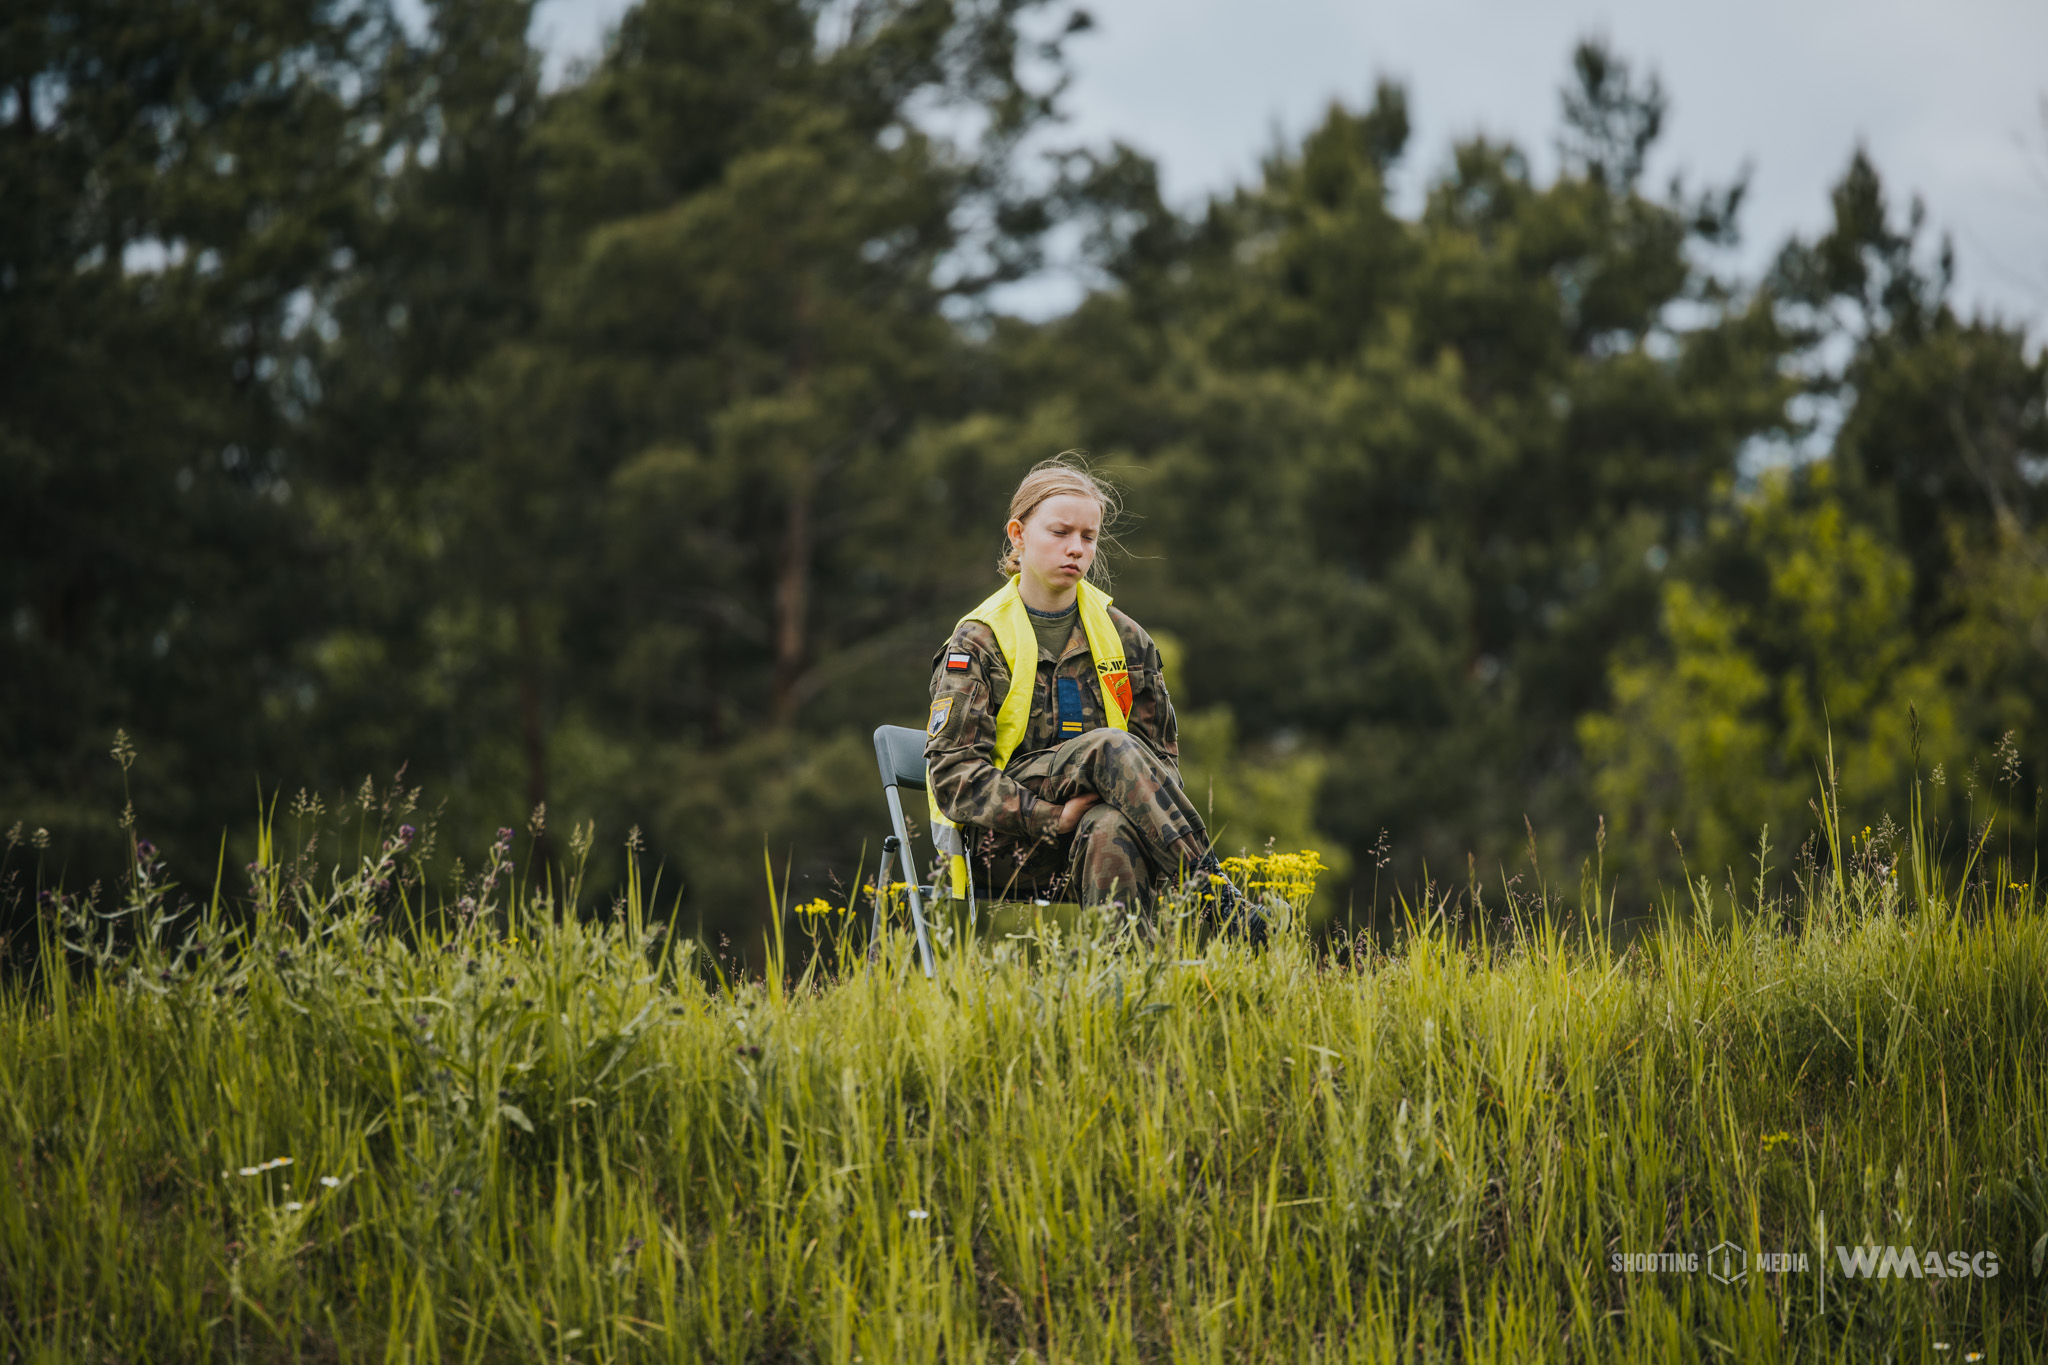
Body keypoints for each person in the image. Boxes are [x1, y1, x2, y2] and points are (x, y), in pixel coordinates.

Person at [924, 456, 1242, 920]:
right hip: (1008, 847)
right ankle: (1216, 901)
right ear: (1018, 534)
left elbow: (1164, 767)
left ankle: (1125, 986)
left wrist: (1114, 804)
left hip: (1104, 830)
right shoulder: (978, 639)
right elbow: (954, 777)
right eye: (1060, 532)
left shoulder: (1127, 639)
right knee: (1111, 748)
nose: (1076, 548)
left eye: (1088, 537)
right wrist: (1051, 817)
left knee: (1111, 824)